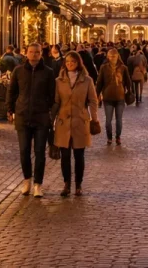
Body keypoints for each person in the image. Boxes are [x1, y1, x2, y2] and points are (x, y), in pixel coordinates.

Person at [7, 43, 56, 198]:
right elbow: (12, 91)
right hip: (22, 116)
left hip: (41, 117)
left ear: (41, 54)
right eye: (31, 52)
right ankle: (27, 180)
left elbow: (53, 95)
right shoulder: (19, 71)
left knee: (40, 152)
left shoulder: (48, 72)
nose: (34, 55)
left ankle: (38, 184)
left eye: (37, 52)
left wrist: (48, 110)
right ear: (26, 53)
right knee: (24, 151)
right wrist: (10, 109)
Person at [52, 51, 99, 197]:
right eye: (67, 62)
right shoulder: (59, 81)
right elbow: (56, 102)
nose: (70, 64)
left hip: (80, 121)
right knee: (65, 156)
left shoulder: (87, 80)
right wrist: (50, 120)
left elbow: (93, 100)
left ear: (78, 63)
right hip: (63, 122)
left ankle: (78, 184)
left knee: (79, 155)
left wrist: (94, 118)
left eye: (73, 62)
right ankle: (66, 184)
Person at [96, 48, 132, 145]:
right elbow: (99, 82)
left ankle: (118, 137)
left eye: (114, 56)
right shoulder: (103, 68)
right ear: (108, 57)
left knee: (119, 120)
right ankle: (109, 137)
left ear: (117, 56)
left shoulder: (123, 68)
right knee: (108, 121)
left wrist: (130, 92)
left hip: (120, 98)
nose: (112, 58)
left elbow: (128, 82)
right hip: (107, 98)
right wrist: (96, 94)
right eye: (110, 56)